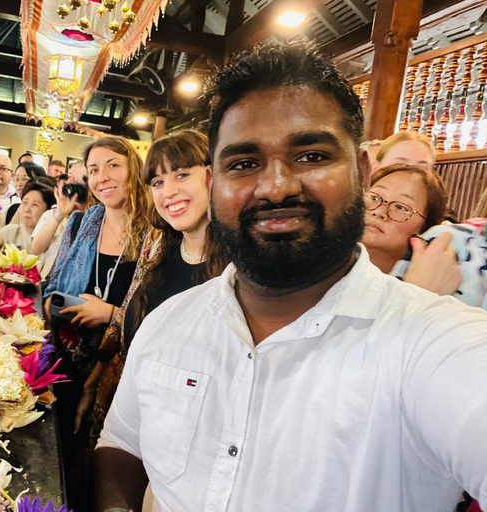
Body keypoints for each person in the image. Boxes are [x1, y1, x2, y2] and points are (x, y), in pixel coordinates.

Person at [95, 40, 487, 512]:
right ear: (216, 182)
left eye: (312, 156)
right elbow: (122, 447)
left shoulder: (435, 344)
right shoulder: (170, 321)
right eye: (244, 163)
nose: (277, 185)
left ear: (362, 172)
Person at [75, 130, 229, 441]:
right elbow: (126, 326)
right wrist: (92, 385)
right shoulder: (156, 245)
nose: (168, 192)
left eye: (182, 174)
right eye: (157, 182)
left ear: (211, 177)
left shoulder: (236, 267)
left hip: (187, 434)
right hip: (126, 414)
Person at [44, 135, 151, 510]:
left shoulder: (156, 230)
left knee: (102, 466)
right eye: (93, 169)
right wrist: (57, 305)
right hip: (67, 359)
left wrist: (110, 313)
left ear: (133, 169)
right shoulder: (80, 223)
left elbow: (162, 312)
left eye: (113, 165)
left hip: (119, 371)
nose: (102, 177)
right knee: (62, 454)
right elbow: (52, 285)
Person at [361, 163, 461, 296]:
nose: (379, 211)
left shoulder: (435, 285)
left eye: (400, 207)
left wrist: (421, 293)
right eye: (374, 198)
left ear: (425, 229)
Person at [0, 179, 56, 253]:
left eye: (35, 205)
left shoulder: (54, 239)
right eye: (25, 202)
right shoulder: (13, 230)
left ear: (48, 210)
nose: (27, 209)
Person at [0, 162, 49, 228]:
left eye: (25, 179)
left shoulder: (51, 215)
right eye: (17, 179)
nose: (19, 184)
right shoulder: (10, 211)